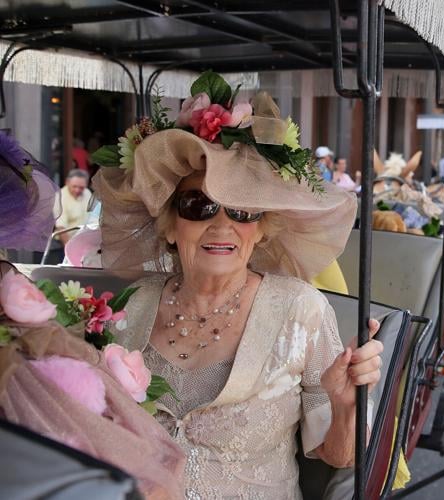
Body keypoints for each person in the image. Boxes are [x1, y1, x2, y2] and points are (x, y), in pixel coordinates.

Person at [92, 81, 383, 498]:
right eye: (198, 205)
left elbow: (341, 456)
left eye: (243, 210)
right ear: (170, 225)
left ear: (262, 227)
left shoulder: (301, 310)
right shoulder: (130, 307)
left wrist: (344, 405)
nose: (222, 225)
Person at [53, 169, 92, 245]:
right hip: (66, 241)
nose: (77, 190)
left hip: (86, 241)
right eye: (74, 186)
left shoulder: (87, 192)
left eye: (81, 187)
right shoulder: (59, 197)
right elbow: (61, 228)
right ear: (67, 182)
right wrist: (69, 249)